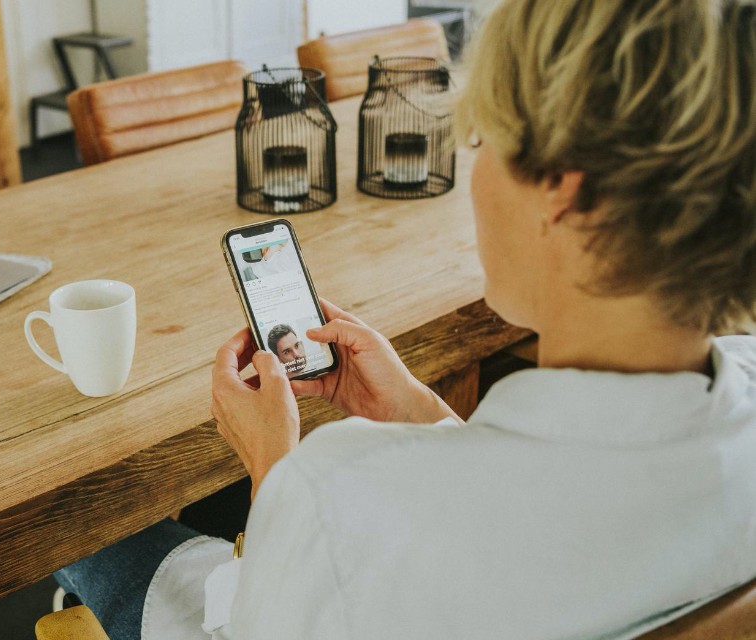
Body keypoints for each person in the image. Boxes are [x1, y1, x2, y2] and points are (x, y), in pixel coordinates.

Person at [55, 0, 756, 638]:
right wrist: (420, 413)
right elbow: (547, 508)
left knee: (87, 530)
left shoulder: (335, 497)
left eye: (480, 141)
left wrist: (276, 477)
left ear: (562, 192)